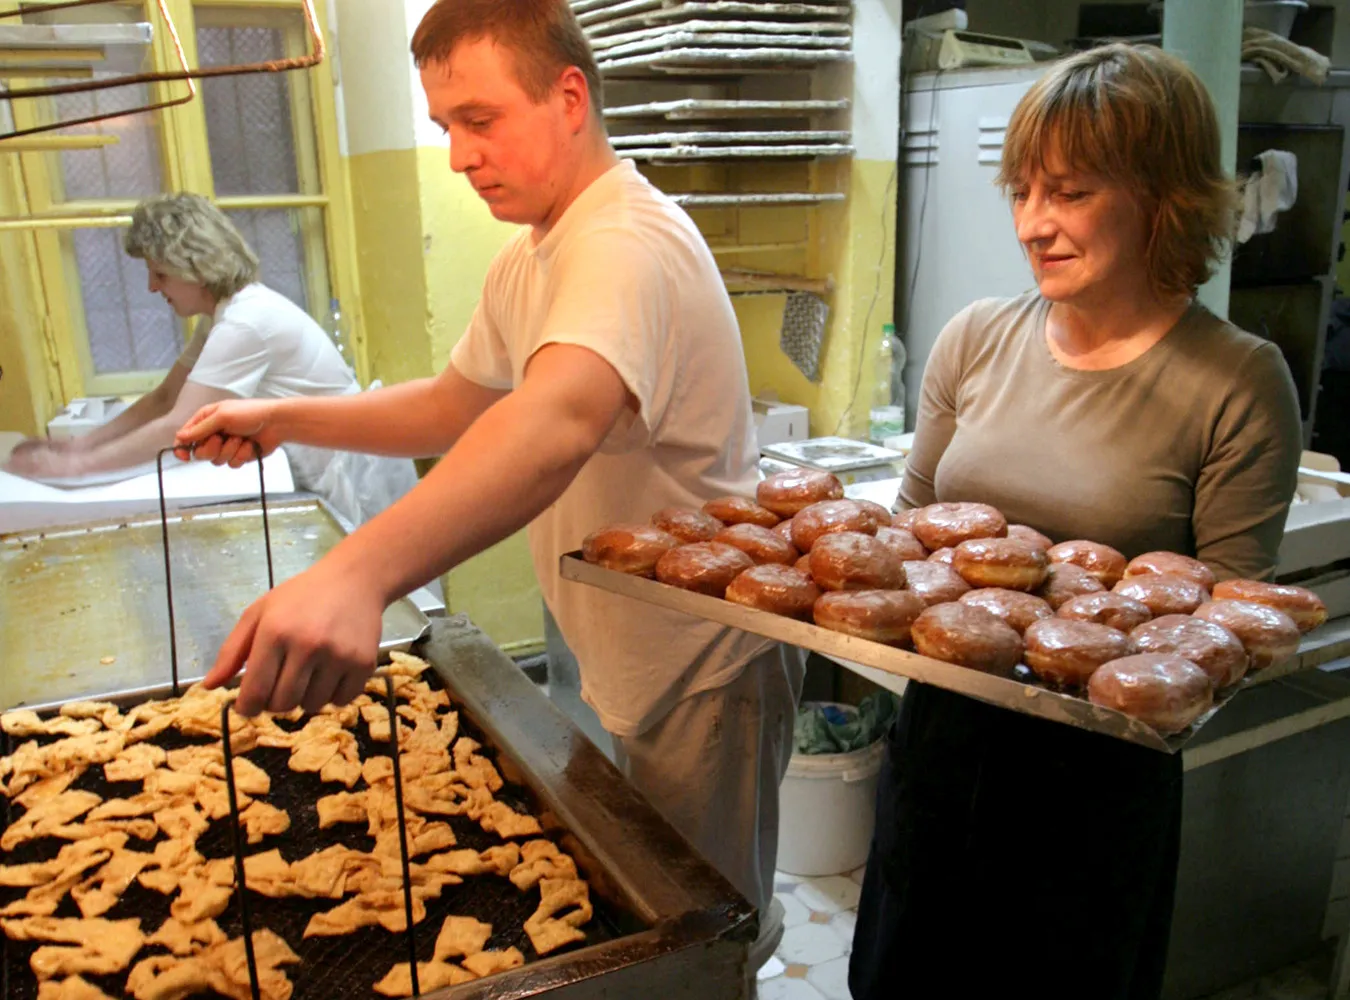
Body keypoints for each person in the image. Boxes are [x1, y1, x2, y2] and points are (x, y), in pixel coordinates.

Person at [172, 0, 803, 978]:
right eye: (444, 127)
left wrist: (356, 575)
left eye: (480, 119)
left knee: (704, 947)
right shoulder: (533, 255)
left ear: (569, 98)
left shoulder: (625, 241)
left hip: (703, 667)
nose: (460, 156)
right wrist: (284, 417)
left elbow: (554, 423)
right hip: (627, 649)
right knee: (663, 917)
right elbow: (449, 406)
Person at [850, 44, 1302, 1000]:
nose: (1033, 223)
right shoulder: (976, 338)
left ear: (1162, 198)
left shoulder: (1237, 381)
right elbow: (909, 533)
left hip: (1097, 782)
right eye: (1022, 192)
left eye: (1070, 192)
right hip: (943, 742)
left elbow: (1220, 637)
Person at [3, 193, 416, 530]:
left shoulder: (247, 321)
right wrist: (80, 445)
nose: (151, 287)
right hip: (322, 465)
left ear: (195, 266)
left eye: (159, 274)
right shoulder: (222, 315)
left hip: (354, 476)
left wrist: (76, 468)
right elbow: (165, 398)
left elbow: (178, 425)